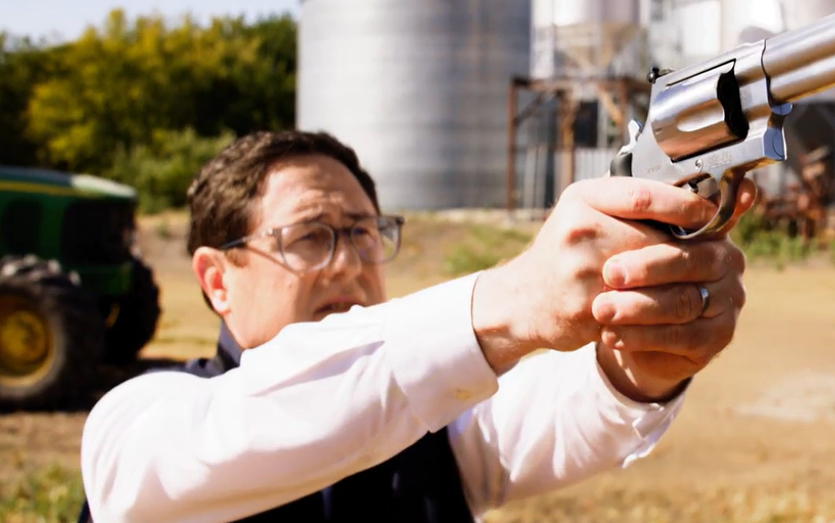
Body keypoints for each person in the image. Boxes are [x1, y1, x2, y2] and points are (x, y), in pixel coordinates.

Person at [78, 129, 754, 523]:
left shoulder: (432, 426)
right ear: (217, 278)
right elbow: (252, 424)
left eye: (364, 233)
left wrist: (642, 366)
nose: (348, 264)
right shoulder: (135, 425)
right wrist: (514, 296)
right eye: (310, 237)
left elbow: (550, 414)